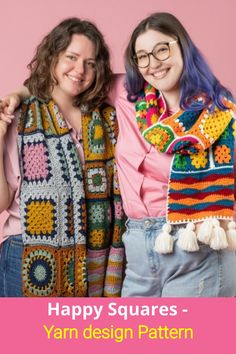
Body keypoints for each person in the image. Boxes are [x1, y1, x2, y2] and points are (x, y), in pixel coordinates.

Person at [1, 12, 236, 297]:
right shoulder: (129, 96)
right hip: (129, 251)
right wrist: (18, 93)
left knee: (186, 338)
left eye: (162, 49)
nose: (154, 63)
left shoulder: (216, 114)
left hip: (189, 241)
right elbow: (63, 81)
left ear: (182, 48)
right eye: (143, 56)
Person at [0, 17, 125, 297]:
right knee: (25, 342)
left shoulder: (107, 119)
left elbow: (140, 79)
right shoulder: (21, 117)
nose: (79, 70)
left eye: (90, 63)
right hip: (27, 252)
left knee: (75, 340)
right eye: (71, 57)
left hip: (93, 259)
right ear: (53, 56)